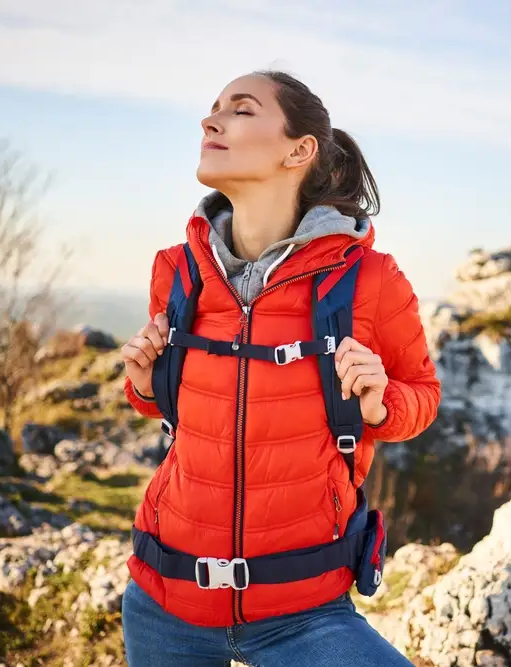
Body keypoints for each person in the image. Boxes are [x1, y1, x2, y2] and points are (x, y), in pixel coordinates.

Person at [118, 70, 441, 666]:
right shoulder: (178, 271)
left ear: (300, 149)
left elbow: (422, 395)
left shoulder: (370, 281)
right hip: (164, 602)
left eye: (240, 110)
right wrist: (144, 386)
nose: (210, 121)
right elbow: (176, 409)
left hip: (306, 613)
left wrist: (381, 404)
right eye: (212, 108)